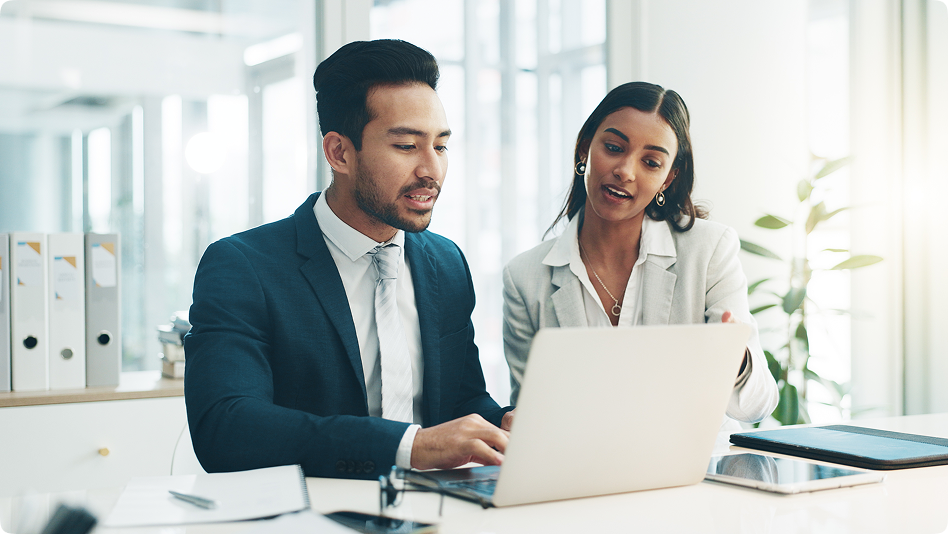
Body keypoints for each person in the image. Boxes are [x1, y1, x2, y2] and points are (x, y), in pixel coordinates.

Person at [185, 39, 513, 480]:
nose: (431, 170)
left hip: (438, 513)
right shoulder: (243, 266)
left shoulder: (445, 262)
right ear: (339, 152)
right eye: (406, 146)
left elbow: (463, 400)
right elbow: (226, 428)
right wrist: (408, 446)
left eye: (440, 146)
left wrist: (503, 424)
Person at [502, 82, 778, 436]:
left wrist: (734, 358)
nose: (626, 171)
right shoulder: (524, 278)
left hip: (694, 471)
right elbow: (530, 417)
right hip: (584, 474)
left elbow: (759, 405)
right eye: (614, 148)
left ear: (668, 178)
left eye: (651, 162)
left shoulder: (709, 250)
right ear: (585, 147)